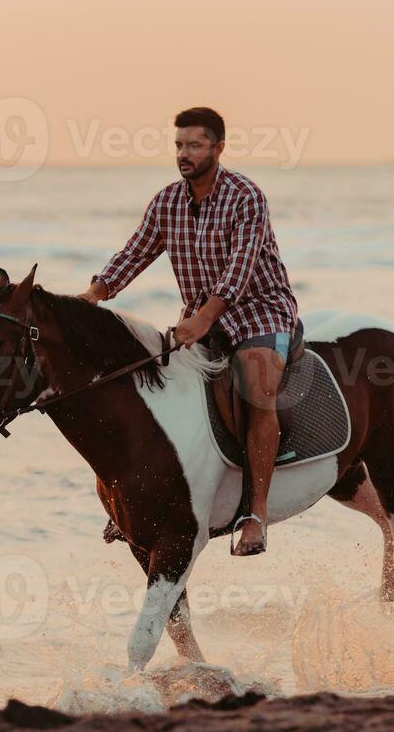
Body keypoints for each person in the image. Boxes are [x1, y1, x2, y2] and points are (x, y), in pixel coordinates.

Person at [79, 107, 300, 555]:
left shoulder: (246, 197)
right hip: (198, 316)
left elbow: (240, 269)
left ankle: (255, 515)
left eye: (195, 145)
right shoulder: (167, 202)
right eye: (179, 144)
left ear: (218, 148)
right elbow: (135, 252)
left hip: (260, 311)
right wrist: (94, 294)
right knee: (150, 385)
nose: (184, 153)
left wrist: (203, 319)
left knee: (257, 389)